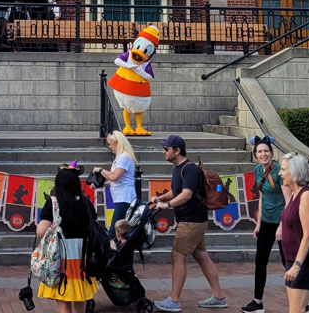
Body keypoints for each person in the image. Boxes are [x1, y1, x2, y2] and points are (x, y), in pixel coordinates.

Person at [149, 134, 228, 311]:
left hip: (191, 221)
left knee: (177, 255)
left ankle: (174, 300)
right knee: (201, 256)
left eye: (166, 149)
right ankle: (219, 297)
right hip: (193, 221)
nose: (163, 152)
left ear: (177, 151)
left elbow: (186, 194)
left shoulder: (189, 169)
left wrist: (167, 204)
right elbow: (175, 190)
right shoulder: (179, 168)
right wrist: (160, 198)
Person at [35, 167, 99, 313]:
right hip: (82, 257)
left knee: (63, 299)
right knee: (80, 297)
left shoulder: (54, 203)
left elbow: (41, 231)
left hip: (62, 257)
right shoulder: (85, 203)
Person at [242, 136, 293, 313]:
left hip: (282, 222)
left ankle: (302, 302)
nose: (263, 154)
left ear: (271, 153)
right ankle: (257, 301)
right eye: (260, 152)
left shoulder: (280, 170)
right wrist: (258, 222)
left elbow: (289, 200)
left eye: (266, 151)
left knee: (288, 262)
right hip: (266, 222)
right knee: (260, 261)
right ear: (255, 155)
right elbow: (262, 195)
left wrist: (282, 225)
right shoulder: (257, 170)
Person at [279, 154, 309, 313]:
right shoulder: (293, 194)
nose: (280, 173)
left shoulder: (306, 196)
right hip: (291, 259)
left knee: (296, 310)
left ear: (295, 172)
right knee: (297, 309)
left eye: (283, 169)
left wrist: (297, 266)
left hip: (305, 262)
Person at [93, 130, 138, 232]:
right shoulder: (121, 158)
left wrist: (100, 170)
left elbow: (114, 177)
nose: (109, 147)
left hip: (124, 198)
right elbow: (116, 180)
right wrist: (101, 184)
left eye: (110, 144)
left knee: (114, 231)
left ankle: (112, 247)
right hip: (122, 197)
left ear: (117, 143)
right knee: (120, 231)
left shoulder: (124, 157)